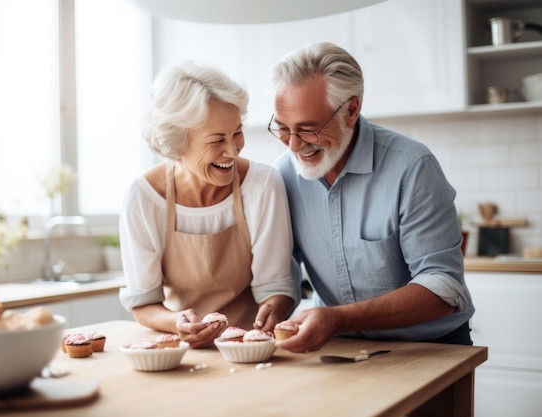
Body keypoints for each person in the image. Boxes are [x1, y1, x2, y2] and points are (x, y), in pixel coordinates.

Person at [269, 42, 475, 352]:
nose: (294, 145)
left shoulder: (412, 167)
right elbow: (282, 270)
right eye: (283, 128)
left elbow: (442, 288)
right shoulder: (284, 174)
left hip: (430, 348)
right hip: (338, 345)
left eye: (308, 129)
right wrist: (275, 307)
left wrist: (338, 318)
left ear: (351, 110)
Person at [119, 62, 299, 348]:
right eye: (216, 140)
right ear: (177, 144)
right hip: (182, 349)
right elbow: (143, 303)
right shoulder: (144, 198)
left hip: (252, 347)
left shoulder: (262, 184)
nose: (233, 149)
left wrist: (275, 309)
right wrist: (177, 322)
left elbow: (276, 287)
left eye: (237, 133)